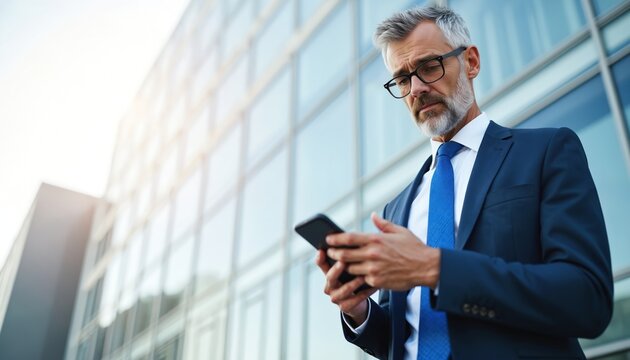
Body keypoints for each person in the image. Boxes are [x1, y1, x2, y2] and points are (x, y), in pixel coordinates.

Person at [315, 5, 613, 360]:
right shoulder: (395, 209)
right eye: (403, 78)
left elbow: (586, 298)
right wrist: (358, 311)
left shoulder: (545, 152)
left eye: (429, 67)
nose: (417, 88)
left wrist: (434, 268)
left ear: (471, 62)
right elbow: (401, 338)